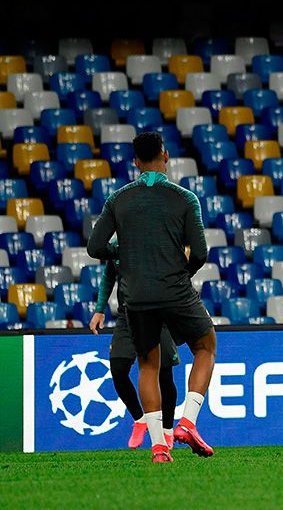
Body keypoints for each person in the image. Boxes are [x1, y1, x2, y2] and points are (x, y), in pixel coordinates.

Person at [86, 131, 214, 464]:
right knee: (205, 347)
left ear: (136, 163)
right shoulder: (185, 199)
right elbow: (199, 251)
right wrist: (182, 273)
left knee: (147, 365)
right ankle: (187, 422)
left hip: (136, 296)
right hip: (174, 288)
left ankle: (159, 448)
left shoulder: (118, 199)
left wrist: (122, 251)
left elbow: (95, 247)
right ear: (166, 156)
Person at [89, 250, 179, 451]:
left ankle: (167, 430)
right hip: (127, 315)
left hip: (159, 313)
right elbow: (108, 276)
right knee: (118, 370)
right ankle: (140, 420)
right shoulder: (117, 244)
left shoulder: (156, 237)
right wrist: (99, 309)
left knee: (165, 375)